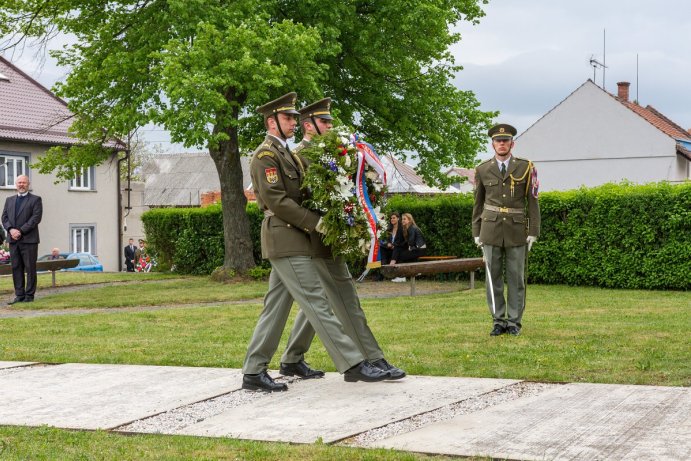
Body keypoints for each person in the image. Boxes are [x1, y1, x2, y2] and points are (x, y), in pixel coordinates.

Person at [242, 92, 389, 392]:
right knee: (316, 301)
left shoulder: (288, 155)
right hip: (285, 236)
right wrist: (316, 222)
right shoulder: (265, 156)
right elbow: (278, 201)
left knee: (276, 308)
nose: (293, 122)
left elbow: (306, 194)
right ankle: (352, 363)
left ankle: (254, 370)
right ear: (272, 122)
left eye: (295, 118)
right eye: (287, 118)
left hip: (295, 237)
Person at [278, 98, 406, 380]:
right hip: (313, 238)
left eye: (331, 122)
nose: (331, 126)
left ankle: (291, 359)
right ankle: (372, 357)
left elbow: (349, 189)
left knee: (323, 298)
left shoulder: (332, 153)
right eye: (325, 122)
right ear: (308, 125)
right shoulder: (300, 155)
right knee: (343, 297)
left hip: (329, 238)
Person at [472, 123, 540, 337]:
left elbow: (533, 201)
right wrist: (476, 231)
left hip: (517, 229)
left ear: (512, 143)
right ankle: (498, 320)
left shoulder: (526, 167)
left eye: (506, 140)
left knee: (516, 277)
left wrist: (534, 231)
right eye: (498, 141)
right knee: (493, 278)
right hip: (490, 229)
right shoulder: (482, 169)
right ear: (492, 144)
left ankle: (514, 322)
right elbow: (478, 203)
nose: (502, 144)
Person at [1, 175, 43, 304]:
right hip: (13, 240)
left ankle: (29, 295)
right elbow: (4, 217)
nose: (21, 185)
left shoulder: (35, 200)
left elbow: (36, 218)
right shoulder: (9, 200)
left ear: (28, 184)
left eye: (24, 182)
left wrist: (20, 231)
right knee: (16, 267)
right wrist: (11, 230)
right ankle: (19, 295)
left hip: (29, 240)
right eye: (19, 182)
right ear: (15, 184)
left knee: (30, 268)